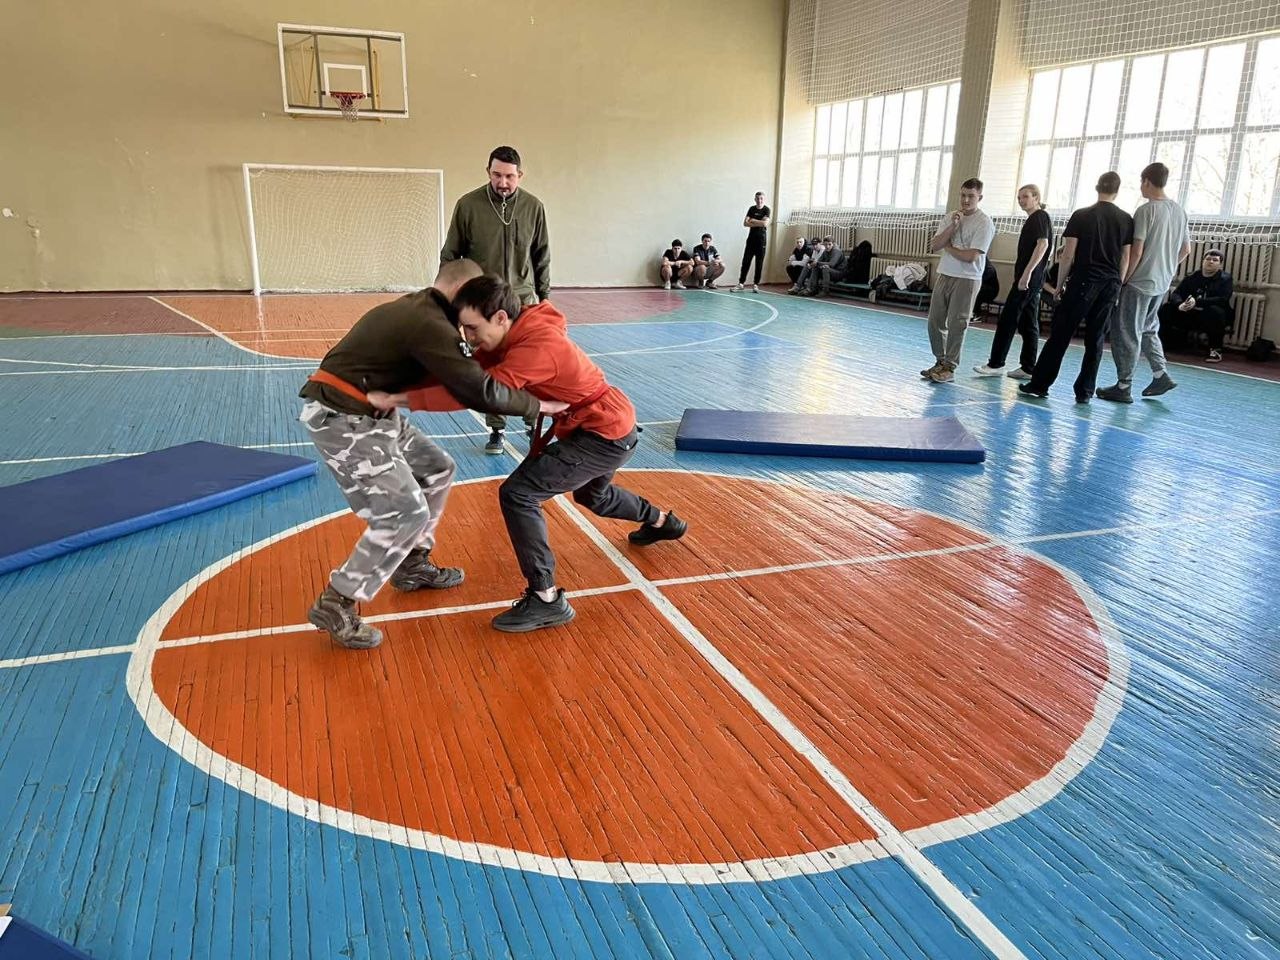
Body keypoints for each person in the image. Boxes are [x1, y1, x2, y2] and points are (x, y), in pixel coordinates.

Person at [381, 276, 687, 633]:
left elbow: (483, 391)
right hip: (609, 425)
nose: (469, 336)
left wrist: (398, 395)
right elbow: (469, 366)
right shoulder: (515, 329)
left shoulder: (536, 348)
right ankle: (664, 522)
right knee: (594, 496)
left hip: (602, 433)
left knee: (519, 494)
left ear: (500, 317)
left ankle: (546, 599)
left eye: (472, 327)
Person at [297, 259, 564, 649]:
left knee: (436, 468)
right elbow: (477, 390)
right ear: (459, 292)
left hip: (373, 414)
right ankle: (337, 601)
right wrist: (537, 405)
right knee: (404, 511)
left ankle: (412, 564)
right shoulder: (430, 323)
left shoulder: (425, 312)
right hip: (345, 418)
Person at [440, 145, 551, 454]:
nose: (503, 182)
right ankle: (496, 430)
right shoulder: (468, 206)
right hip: (482, 306)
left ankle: (533, 425)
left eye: (509, 176)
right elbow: (450, 256)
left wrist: (545, 298)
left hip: (524, 302)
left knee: (530, 366)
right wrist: (450, 300)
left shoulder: (534, 207)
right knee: (489, 371)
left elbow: (541, 256)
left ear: (520, 175)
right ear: (488, 172)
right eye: (497, 175)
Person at [1019, 172, 1133, 402]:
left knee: (1061, 334)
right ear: (1117, 191)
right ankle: (1085, 392)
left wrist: (1060, 285)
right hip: (1110, 284)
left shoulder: (1082, 215)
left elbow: (1068, 254)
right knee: (1095, 339)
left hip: (1084, 281)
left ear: (1096, 187)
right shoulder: (1126, 219)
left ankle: (1040, 384)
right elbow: (1125, 257)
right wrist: (1117, 284)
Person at [1096, 162, 1189, 403]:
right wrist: (1166, 268)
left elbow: (1136, 251)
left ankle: (1123, 385)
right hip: (1162, 282)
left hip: (1140, 282)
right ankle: (1160, 373)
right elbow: (1185, 250)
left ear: (1147, 181)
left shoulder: (1146, 211)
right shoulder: (1179, 210)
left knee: (1126, 331)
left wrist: (1123, 279)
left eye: (1141, 182)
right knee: (1149, 327)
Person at [920, 178, 997, 383]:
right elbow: (935, 245)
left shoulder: (984, 222)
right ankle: (940, 360)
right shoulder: (950, 217)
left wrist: (949, 247)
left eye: (971, 196)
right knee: (935, 320)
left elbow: (970, 256)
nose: (966, 200)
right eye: (963, 195)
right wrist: (952, 227)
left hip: (967, 278)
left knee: (957, 323)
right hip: (945, 274)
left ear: (979, 197)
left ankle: (950, 366)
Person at [973, 184, 1053, 380]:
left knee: (1008, 319)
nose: (1021, 201)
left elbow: (1043, 244)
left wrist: (1027, 274)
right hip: (1031, 280)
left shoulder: (1040, 216)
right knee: (1029, 323)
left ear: (1036, 197)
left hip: (1028, 280)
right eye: (1019, 198)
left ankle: (996, 363)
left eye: (1025, 196)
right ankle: (1028, 367)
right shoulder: (1034, 219)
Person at [1158, 250, 1234, 362]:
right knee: (1167, 309)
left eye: (1215, 260)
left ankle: (1215, 350)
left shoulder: (1225, 279)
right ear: (1203, 261)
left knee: (1215, 312)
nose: (1211, 262)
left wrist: (1197, 302)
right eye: (1208, 259)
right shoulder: (1192, 277)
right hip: (1190, 313)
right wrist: (1180, 304)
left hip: (1210, 315)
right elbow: (1176, 293)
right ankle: (1160, 346)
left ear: (1220, 264)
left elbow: (1223, 299)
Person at [733, 191, 770, 293]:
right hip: (751, 240)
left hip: (761, 240)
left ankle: (756, 284)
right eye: (757, 198)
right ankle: (741, 283)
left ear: (764, 199)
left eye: (761, 198)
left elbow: (765, 224)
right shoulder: (751, 209)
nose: (759, 200)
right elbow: (745, 223)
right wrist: (759, 222)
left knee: (759, 263)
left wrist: (753, 220)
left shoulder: (766, 210)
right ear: (755, 199)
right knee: (746, 261)